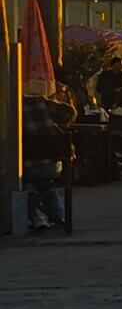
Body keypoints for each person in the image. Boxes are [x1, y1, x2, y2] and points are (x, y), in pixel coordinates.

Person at [22, 89, 76, 232]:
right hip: (50, 167)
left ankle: (32, 218)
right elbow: (69, 112)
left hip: (20, 171)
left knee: (20, 183)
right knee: (45, 184)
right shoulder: (37, 101)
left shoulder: (6, 109)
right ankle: (57, 217)